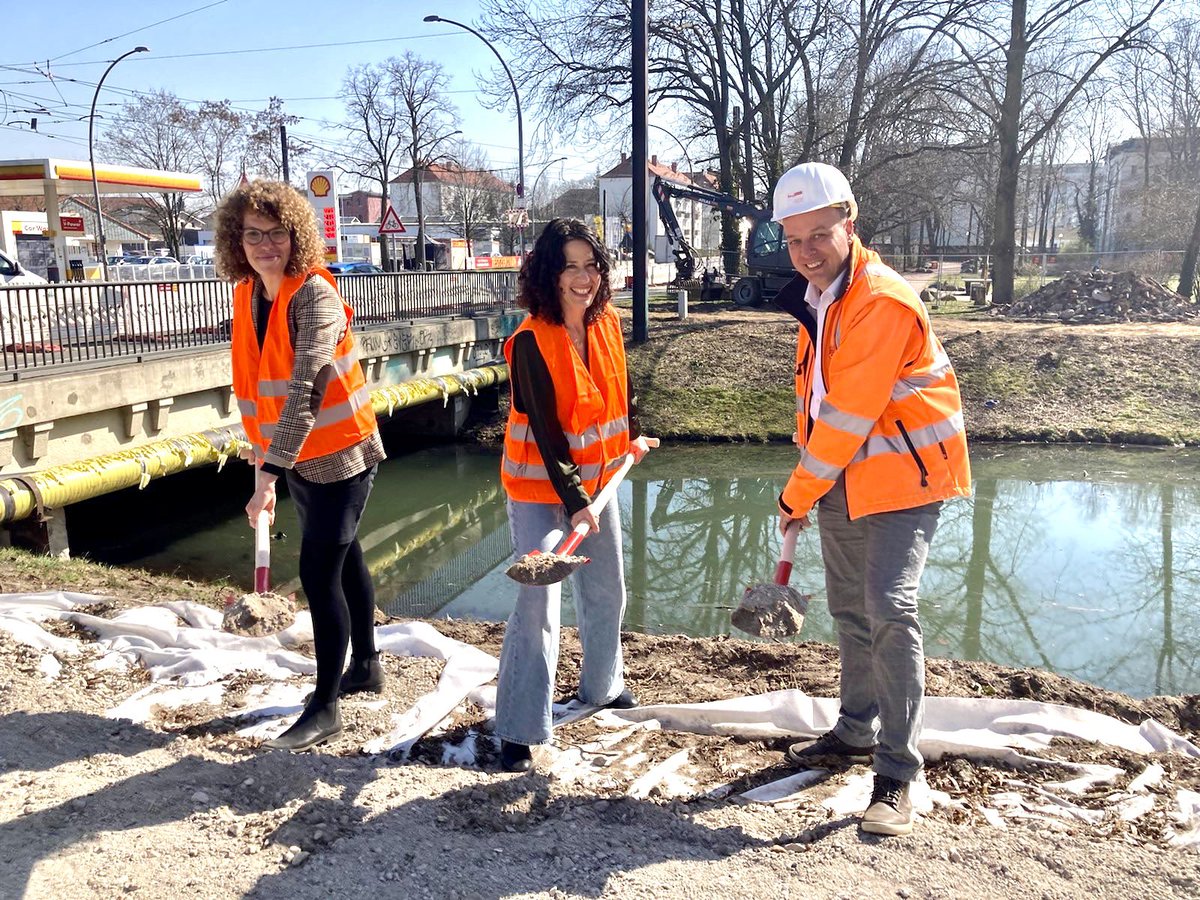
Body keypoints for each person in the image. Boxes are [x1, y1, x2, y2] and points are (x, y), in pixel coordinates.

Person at [770, 163, 970, 835]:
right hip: (843, 478)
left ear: (849, 226)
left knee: (888, 607)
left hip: (903, 479)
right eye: (795, 239)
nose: (807, 251)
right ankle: (854, 731)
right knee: (849, 610)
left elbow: (851, 413)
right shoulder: (820, 298)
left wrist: (796, 491)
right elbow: (818, 408)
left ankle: (896, 775)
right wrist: (809, 484)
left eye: (820, 234)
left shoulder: (878, 300)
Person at [215, 180, 386, 752]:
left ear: (296, 234)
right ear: (237, 241)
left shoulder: (313, 296)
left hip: (341, 453)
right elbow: (257, 384)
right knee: (347, 553)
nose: (266, 244)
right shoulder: (248, 294)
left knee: (319, 571)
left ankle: (326, 704)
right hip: (294, 456)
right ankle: (365, 664)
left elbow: (305, 391)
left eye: (277, 233)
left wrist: (266, 477)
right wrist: (261, 455)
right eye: (253, 234)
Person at [495, 217, 658, 773]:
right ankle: (518, 728)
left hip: (599, 481)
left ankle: (603, 687)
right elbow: (545, 431)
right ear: (548, 273)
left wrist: (632, 433)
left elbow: (619, 388)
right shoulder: (529, 343)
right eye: (570, 267)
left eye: (591, 266)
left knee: (606, 585)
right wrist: (574, 501)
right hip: (543, 489)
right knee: (538, 601)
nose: (583, 278)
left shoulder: (606, 322)